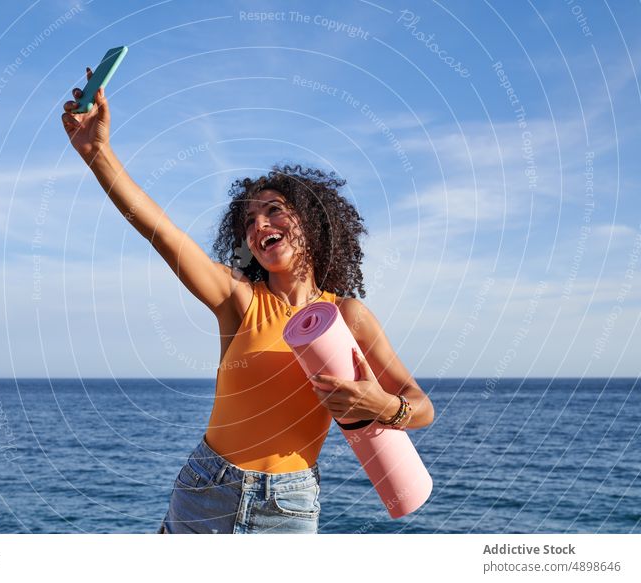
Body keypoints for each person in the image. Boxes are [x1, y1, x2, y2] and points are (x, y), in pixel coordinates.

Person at [61, 69, 435, 534]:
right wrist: (98, 154)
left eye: (273, 210)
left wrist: (381, 405)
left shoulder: (348, 316)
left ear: (312, 222)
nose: (259, 225)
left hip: (289, 505)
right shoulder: (238, 299)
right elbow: (162, 232)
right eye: (249, 221)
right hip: (207, 489)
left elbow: (421, 407)